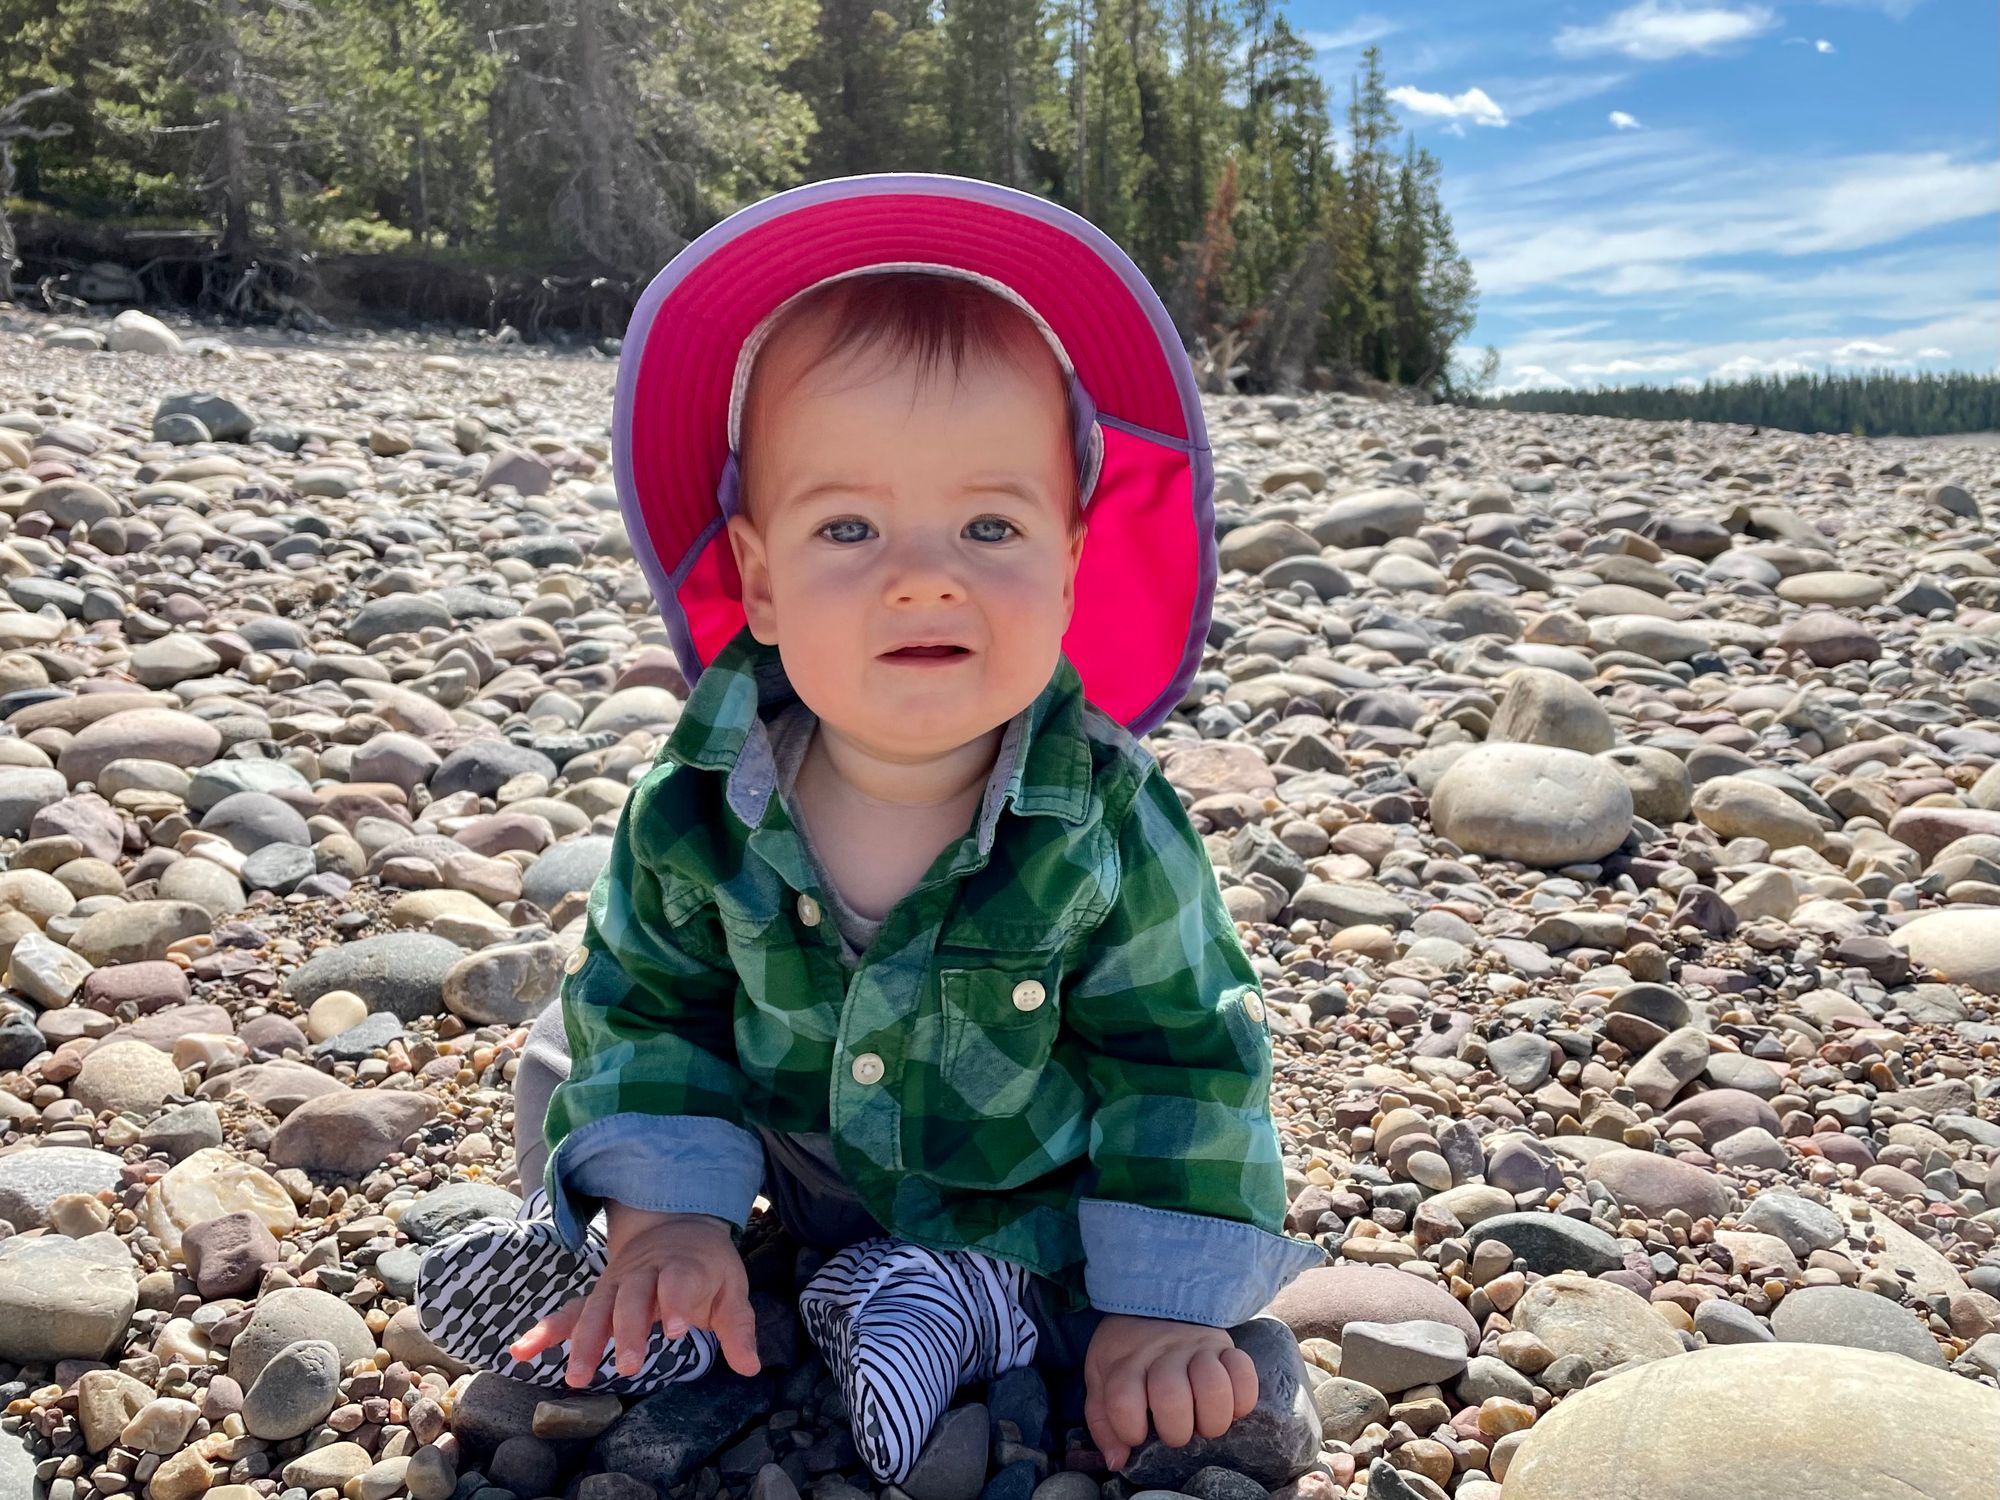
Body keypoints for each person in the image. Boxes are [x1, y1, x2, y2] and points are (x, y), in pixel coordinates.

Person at [416, 173, 1326, 1487]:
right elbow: (657, 1010)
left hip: (1015, 1181)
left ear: (1070, 564)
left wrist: (1165, 1299)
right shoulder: (701, 796)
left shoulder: (1109, 821)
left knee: (1120, 1293)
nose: (924, 572)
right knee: (575, 1039)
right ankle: (666, 1276)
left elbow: (1185, 1060)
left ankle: (957, 1304)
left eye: (989, 524)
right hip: (773, 1143)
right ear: (762, 579)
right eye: (849, 525)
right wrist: (675, 1204)